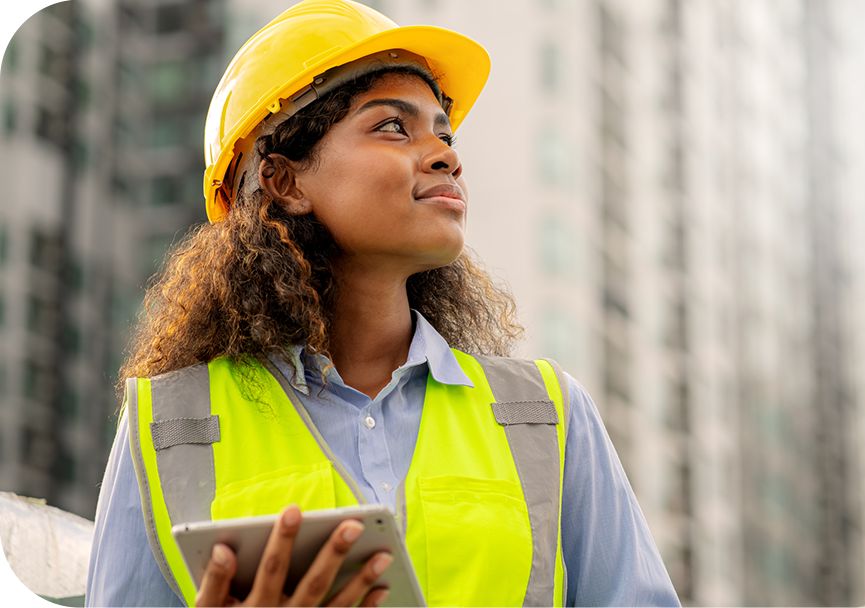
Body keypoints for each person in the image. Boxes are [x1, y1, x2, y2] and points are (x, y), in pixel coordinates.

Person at [85, 1, 680, 606]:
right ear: (285, 182)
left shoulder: (546, 416)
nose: (447, 153)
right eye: (393, 126)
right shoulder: (166, 427)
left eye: (444, 132)